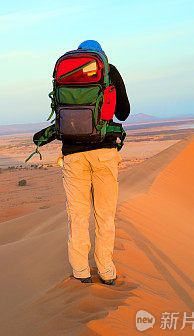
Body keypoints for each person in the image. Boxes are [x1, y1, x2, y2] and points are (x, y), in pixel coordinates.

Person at [34, 40, 130, 285]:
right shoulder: (108, 70)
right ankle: (106, 271)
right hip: (104, 152)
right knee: (105, 216)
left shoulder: (67, 73)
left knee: (77, 215)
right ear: (102, 55)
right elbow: (124, 113)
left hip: (73, 155)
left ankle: (80, 271)